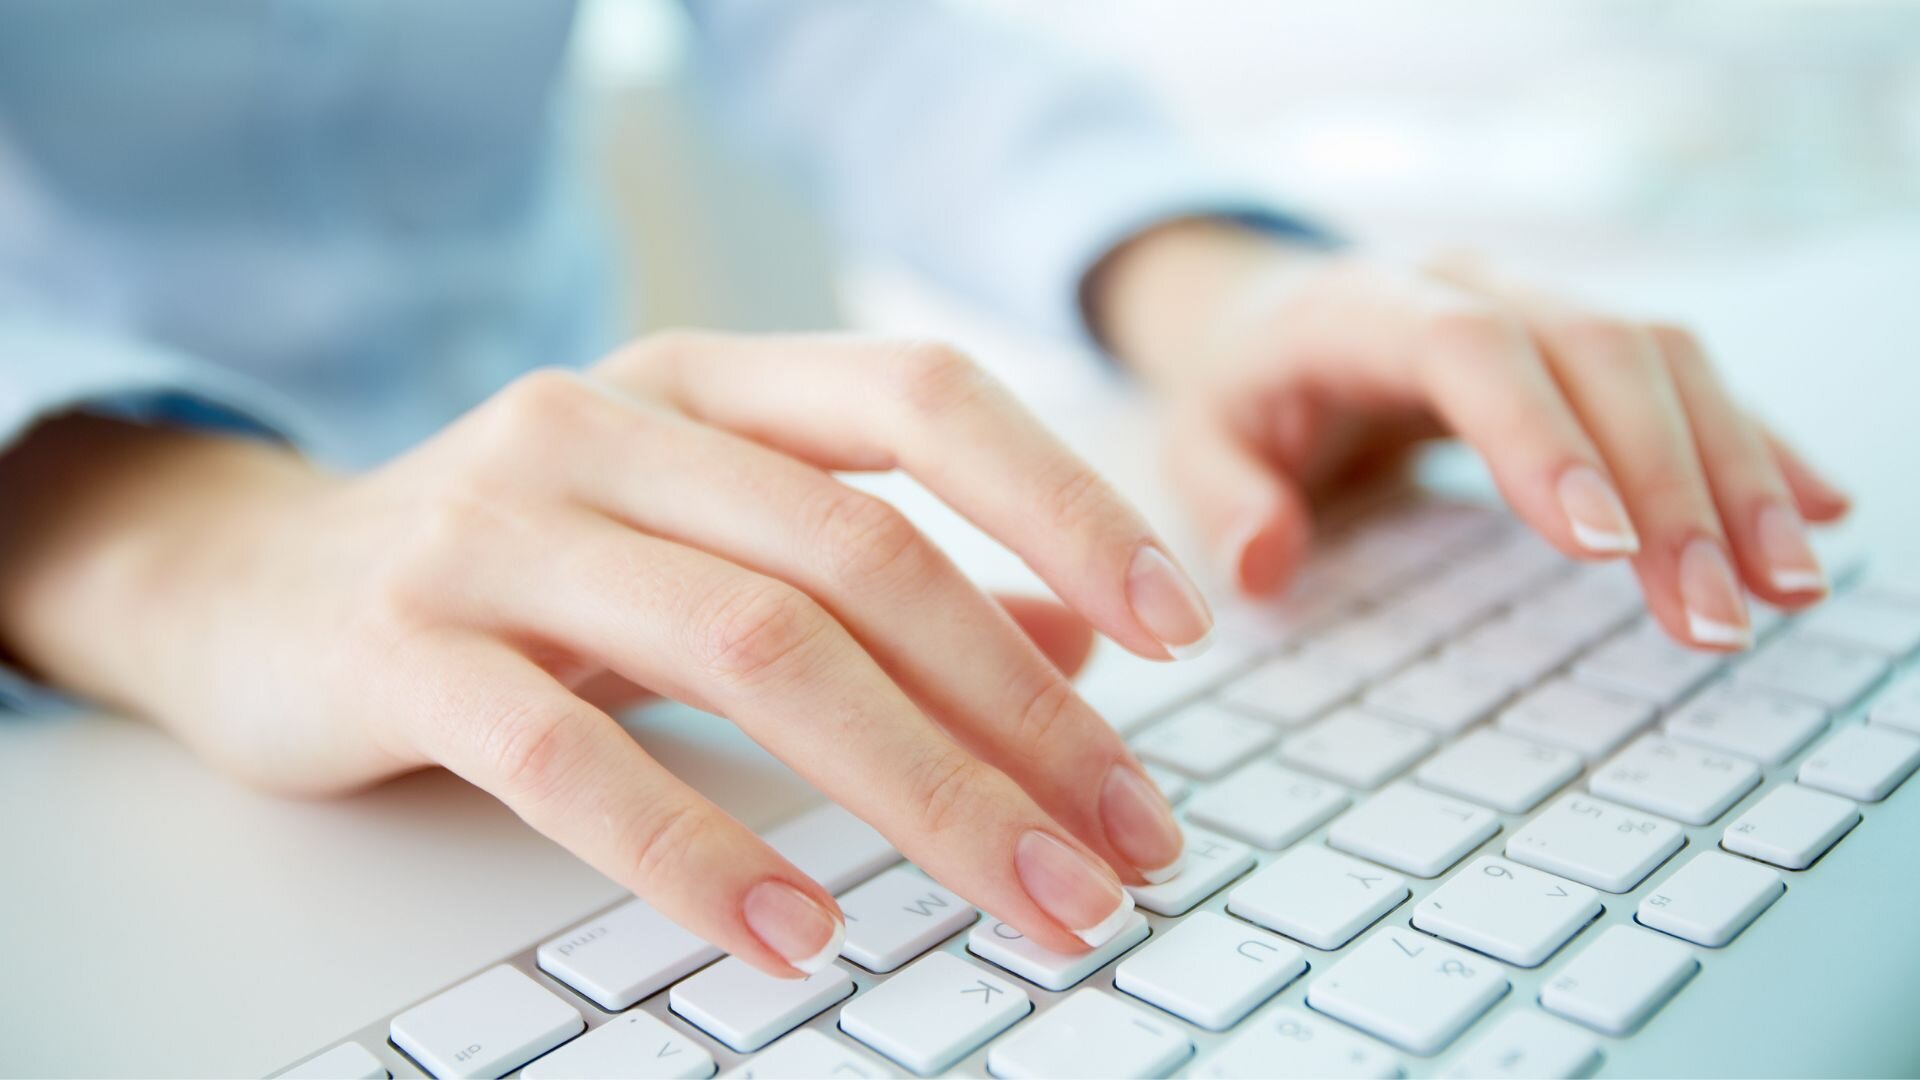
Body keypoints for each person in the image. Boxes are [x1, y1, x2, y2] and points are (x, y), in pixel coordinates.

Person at [0, 1, 1849, 980]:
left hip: (614, 602)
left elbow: (850, 26)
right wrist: (155, 540)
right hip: (98, 695)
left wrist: (1206, 279)